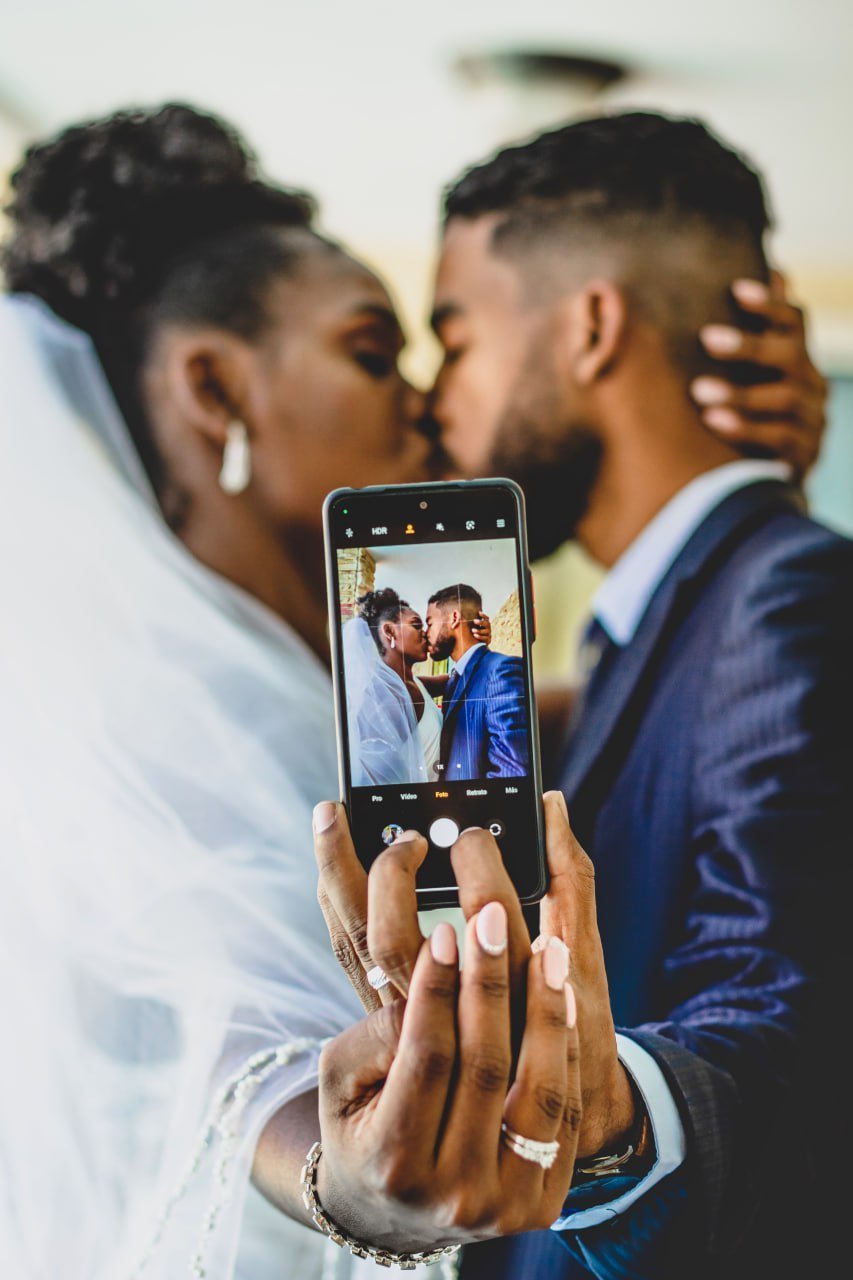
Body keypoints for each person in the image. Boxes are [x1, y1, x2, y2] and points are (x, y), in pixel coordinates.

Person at [0, 101, 829, 1279]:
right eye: (375, 352)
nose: (429, 403)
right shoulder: (153, 753)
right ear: (217, 393)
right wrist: (350, 1186)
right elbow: (241, 1056)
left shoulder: (343, 705)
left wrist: (740, 500)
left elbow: (628, 717)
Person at [316, 111, 850, 1280]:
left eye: (455, 340)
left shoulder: (788, 596)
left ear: (592, 325)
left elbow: (800, 1021)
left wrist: (601, 1128)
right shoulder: (649, 628)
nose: (434, 396)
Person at [425, 583, 529, 779]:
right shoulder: (454, 680)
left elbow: (512, 772)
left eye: (430, 623)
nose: (425, 632)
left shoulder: (500, 671)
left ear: (454, 618)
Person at [344, 588, 442, 784]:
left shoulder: (414, 683)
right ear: (389, 631)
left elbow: (458, 677)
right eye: (416, 625)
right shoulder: (383, 698)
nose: (425, 633)